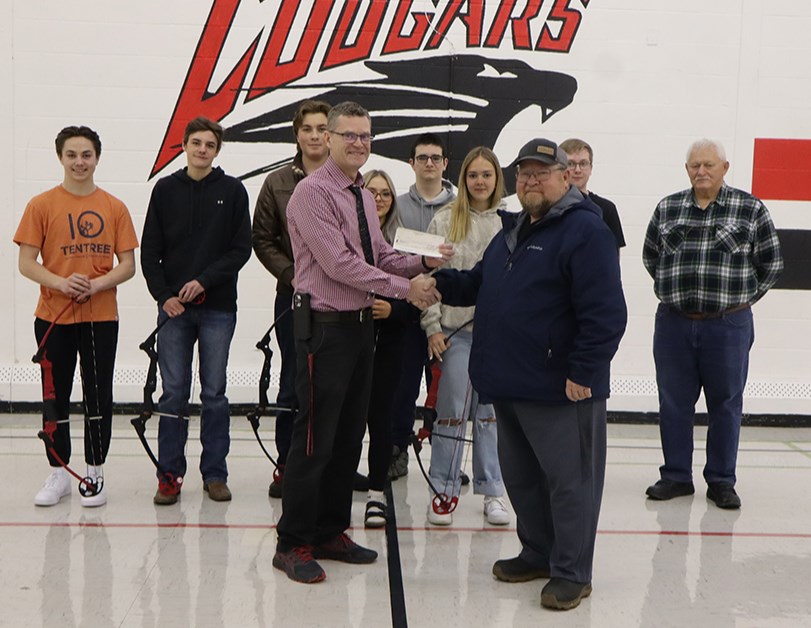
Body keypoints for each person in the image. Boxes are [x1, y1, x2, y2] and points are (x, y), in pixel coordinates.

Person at [432, 138, 626, 610]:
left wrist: (584, 370)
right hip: (510, 382)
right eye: (524, 173)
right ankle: (538, 552)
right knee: (523, 480)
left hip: (563, 387)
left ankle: (572, 572)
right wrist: (432, 282)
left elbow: (606, 313)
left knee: (569, 482)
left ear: (566, 176)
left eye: (543, 172)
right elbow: (477, 283)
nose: (532, 180)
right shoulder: (512, 232)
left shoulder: (586, 231)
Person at [273, 101, 450, 584]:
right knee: (314, 439)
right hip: (324, 329)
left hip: (358, 328)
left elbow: (380, 254)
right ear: (327, 138)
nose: (358, 143)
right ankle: (292, 542)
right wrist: (405, 289)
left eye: (365, 136)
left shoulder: (358, 193)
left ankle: (330, 531)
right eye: (349, 135)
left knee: (348, 435)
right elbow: (339, 266)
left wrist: (425, 262)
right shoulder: (312, 194)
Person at [642, 138, 783, 510]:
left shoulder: (750, 209)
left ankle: (721, 481)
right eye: (694, 166)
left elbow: (771, 264)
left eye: (708, 165)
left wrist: (741, 301)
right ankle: (675, 476)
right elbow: (651, 256)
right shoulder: (668, 207)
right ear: (686, 170)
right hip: (673, 324)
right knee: (673, 403)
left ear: (724, 167)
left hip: (728, 326)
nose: (701, 172)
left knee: (726, 404)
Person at [14, 125, 139, 508]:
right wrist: (61, 282)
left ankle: (94, 471)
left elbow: (128, 265)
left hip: (101, 317)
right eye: (72, 155)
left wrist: (96, 286)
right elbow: (26, 263)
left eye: (86, 155)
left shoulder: (114, 207)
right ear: (60, 158)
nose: (79, 162)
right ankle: (58, 473)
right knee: (55, 396)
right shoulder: (41, 205)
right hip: (53, 316)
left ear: (97, 158)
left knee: (97, 395)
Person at [141, 116, 252, 505]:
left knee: (214, 392)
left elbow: (241, 250)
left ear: (217, 150)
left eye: (209, 144)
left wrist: (204, 281)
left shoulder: (234, 191)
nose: (202, 149)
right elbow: (150, 250)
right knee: (172, 393)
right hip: (173, 311)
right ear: (184, 146)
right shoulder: (165, 190)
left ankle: (215, 473)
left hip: (218, 309)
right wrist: (164, 296)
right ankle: (169, 474)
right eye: (196, 143)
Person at [420, 147, 508, 527]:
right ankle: (444, 488)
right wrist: (433, 327)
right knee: (451, 415)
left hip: (495, 340)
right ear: (463, 179)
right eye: (473, 175)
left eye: (486, 175)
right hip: (454, 335)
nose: (479, 181)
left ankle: (493, 492)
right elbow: (427, 281)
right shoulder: (444, 221)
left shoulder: (510, 225)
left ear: (496, 178)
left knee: (490, 417)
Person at [252, 99, 331, 498]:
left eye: (322, 128)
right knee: (292, 381)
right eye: (308, 129)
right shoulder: (277, 183)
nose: (315, 135)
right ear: (296, 133)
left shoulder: (351, 180)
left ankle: (326, 465)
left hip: (338, 302)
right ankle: (287, 464)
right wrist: (293, 274)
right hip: (293, 297)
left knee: (330, 385)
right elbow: (262, 239)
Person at [389, 133, 457, 480]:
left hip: (446, 318)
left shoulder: (460, 207)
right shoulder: (396, 206)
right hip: (403, 314)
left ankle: (447, 462)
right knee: (401, 389)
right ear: (412, 163)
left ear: (445, 164)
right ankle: (397, 452)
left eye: (435, 157)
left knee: (448, 392)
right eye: (422, 157)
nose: (429, 163)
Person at [361, 168, 409, 528]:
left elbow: (421, 289)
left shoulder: (405, 240)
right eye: (371, 192)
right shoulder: (348, 234)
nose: (378, 199)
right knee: (346, 420)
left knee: (381, 419)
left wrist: (394, 308)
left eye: (385, 194)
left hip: (391, 340)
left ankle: (377, 492)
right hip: (349, 338)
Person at [559, 138, 626, 250]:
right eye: (570, 164)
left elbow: (613, 257)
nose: (577, 170)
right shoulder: (549, 207)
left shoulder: (607, 209)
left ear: (591, 168)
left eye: (583, 163)